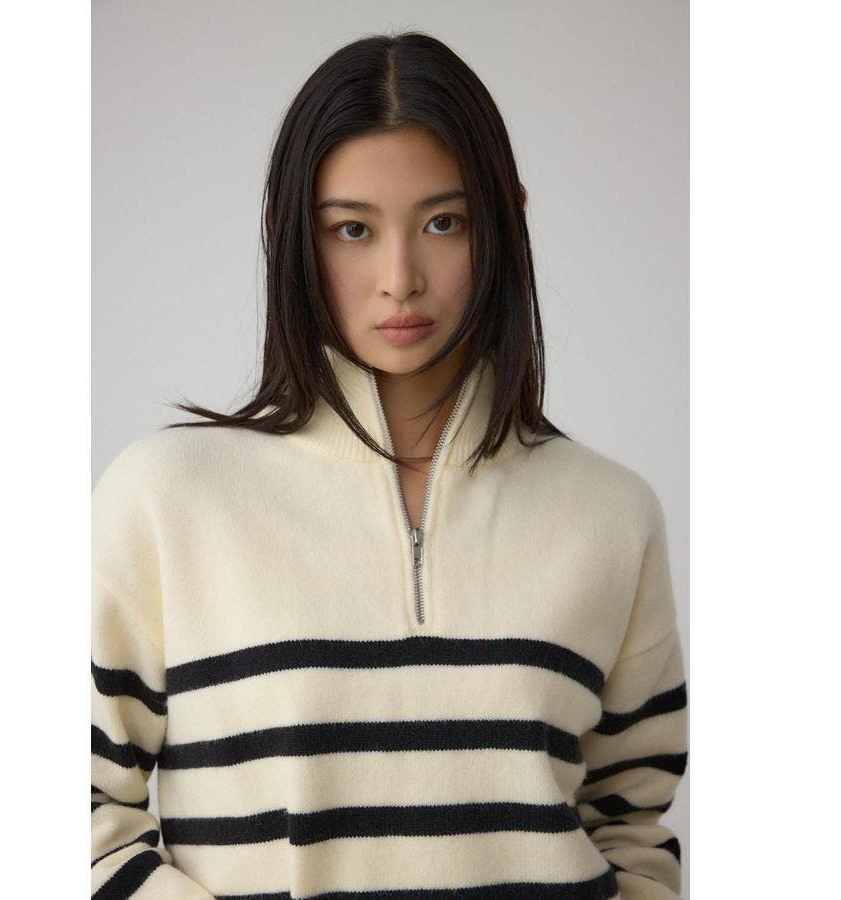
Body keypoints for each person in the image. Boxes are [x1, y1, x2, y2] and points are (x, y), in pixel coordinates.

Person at [90, 30, 688, 900]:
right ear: (289, 235)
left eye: (444, 222)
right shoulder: (166, 500)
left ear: (507, 219)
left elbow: (634, 826)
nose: (399, 277)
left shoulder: (613, 514)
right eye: (352, 229)